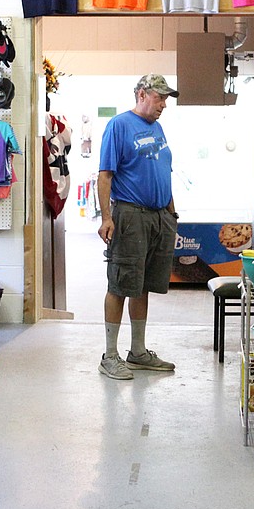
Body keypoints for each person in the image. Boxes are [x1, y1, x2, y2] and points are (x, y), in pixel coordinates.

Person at [96, 74, 181, 381]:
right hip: (130, 215)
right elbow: (105, 175)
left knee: (142, 284)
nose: (164, 105)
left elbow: (163, 171)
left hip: (160, 216)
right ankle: (110, 355)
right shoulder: (119, 126)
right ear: (142, 94)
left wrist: (171, 214)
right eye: (160, 98)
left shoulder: (157, 128)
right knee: (121, 283)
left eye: (166, 99)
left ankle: (138, 352)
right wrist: (107, 218)